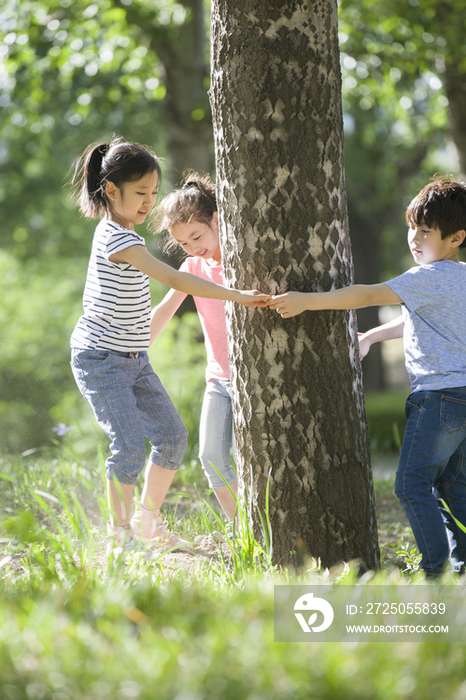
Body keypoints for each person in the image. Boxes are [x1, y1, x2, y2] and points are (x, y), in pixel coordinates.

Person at [69, 138, 269, 555]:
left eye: (153, 193)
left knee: (173, 439)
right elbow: (175, 282)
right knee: (127, 446)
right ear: (111, 190)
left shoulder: (127, 234)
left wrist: (145, 346)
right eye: (140, 193)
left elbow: (150, 314)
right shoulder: (116, 239)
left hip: (133, 359)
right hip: (101, 360)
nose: (148, 202)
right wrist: (238, 296)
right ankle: (121, 539)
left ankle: (148, 522)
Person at [268, 177, 466, 578]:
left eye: (426, 231)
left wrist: (308, 301)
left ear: (457, 236)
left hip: (440, 398)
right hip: (460, 397)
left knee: (411, 486)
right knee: (453, 489)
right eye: (412, 226)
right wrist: (373, 336)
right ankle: (461, 571)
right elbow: (424, 321)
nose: (414, 237)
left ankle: (435, 575)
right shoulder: (458, 277)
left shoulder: (426, 278)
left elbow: (365, 295)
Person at [150, 173, 237, 522]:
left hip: (256, 378)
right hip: (219, 379)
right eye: (183, 244)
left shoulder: (241, 261)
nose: (193, 247)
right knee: (211, 456)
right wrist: (132, 348)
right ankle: (244, 528)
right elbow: (164, 311)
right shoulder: (193, 267)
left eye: (196, 236)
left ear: (216, 220)